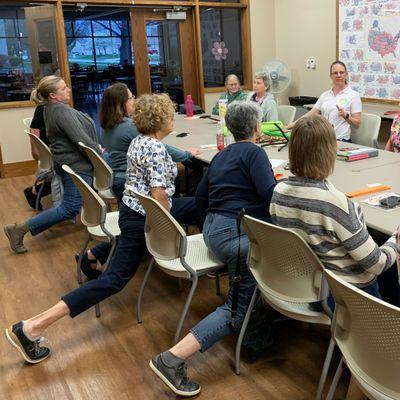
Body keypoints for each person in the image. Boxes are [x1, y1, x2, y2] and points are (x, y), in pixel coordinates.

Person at [4, 93, 200, 366]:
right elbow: (158, 198)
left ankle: (94, 255)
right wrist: (167, 232)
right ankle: (31, 328)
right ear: (161, 121)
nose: (172, 119)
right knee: (113, 280)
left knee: (201, 202)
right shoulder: (154, 149)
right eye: (169, 115)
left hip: (131, 211)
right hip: (144, 217)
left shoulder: (139, 141)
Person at [150, 101, 276, 397]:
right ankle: (172, 359)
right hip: (236, 239)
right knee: (236, 306)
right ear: (257, 128)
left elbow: (200, 199)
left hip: (212, 230)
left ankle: (258, 332)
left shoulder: (221, 156)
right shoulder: (255, 153)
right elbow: (271, 197)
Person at [272, 114, 398, 400]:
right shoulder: (336, 204)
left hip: (310, 282)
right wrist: (396, 242)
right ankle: (381, 351)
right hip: (349, 292)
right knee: (389, 263)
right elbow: (376, 263)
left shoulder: (278, 190)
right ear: (331, 151)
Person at [78, 82, 202, 279]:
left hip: (123, 182)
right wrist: (187, 154)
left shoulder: (107, 125)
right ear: (120, 104)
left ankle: (96, 253)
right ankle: (181, 243)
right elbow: (160, 150)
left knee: (137, 229)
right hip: (133, 185)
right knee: (171, 198)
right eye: (130, 98)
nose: (134, 100)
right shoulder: (130, 128)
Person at [4, 75, 100, 254]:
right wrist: (99, 151)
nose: (68, 90)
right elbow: (81, 140)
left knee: (74, 204)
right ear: (53, 96)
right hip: (75, 165)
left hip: (67, 162)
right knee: (70, 207)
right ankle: (18, 230)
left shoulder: (49, 108)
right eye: (64, 88)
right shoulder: (59, 111)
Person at [286, 61, 362, 141]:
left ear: (346, 74)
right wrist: (290, 126)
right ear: (331, 76)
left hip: (341, 140)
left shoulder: (353, 95)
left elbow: (357, 124)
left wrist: (346, 116)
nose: (338, 75)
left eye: (341, 72)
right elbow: (309, 115)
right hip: (323, 139)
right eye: (335, 73)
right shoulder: (325, 95)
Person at [23, 91, 51, 210]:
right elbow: (34, 131)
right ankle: (34, 191)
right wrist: (36, 153)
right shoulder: (43, 108)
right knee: (70, 174)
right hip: (50, 152)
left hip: (53, 149)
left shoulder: (51, 109)